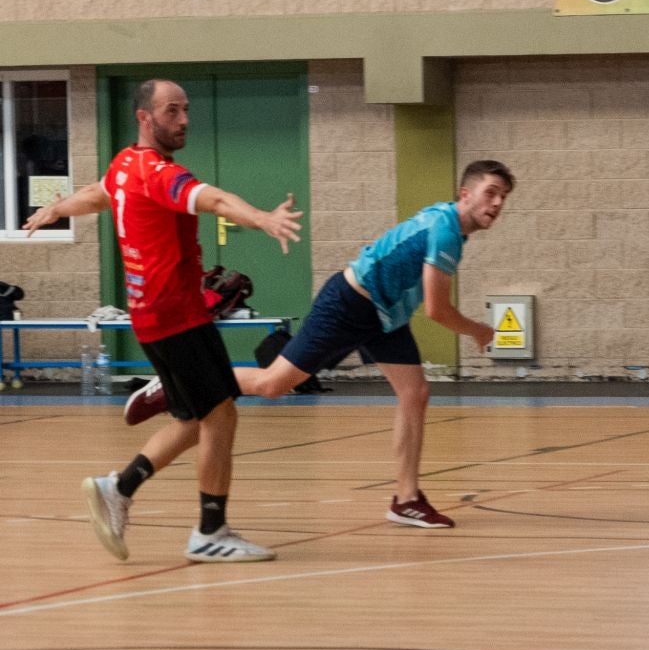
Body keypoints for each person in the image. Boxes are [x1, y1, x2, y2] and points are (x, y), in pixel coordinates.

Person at [126, 160, 512, 529]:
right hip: (351, 303)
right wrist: (477, 329)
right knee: (273, 384)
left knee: (415, 393)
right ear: (465, 193)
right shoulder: (445, 231)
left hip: (384, 315)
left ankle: (406, 500)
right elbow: (436, 309)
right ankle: (180, 381)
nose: (496, 203)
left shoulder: (449, 223)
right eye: (490, 192)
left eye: (503, 197)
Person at [25, 79, 301, 563]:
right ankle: (209, 531)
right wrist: (261, 217)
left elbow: (99, 193)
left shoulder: (124, 165)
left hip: (154, 316)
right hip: (176, 317)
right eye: (172, 111)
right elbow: (213, 199)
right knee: (220, 414)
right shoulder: (156, 173)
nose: (184, 120)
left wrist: (56, 208)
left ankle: (120, 486)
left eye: (186, 110)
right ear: (144, 117)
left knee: (196, 416)